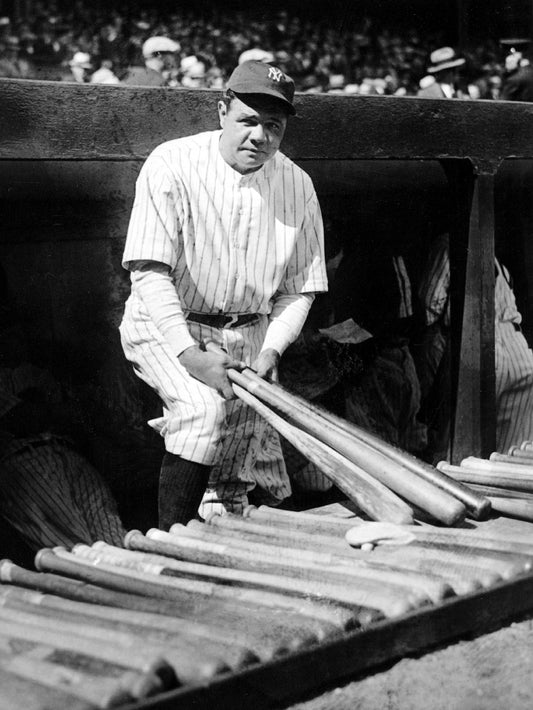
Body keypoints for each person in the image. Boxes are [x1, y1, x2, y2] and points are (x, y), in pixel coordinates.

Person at [119, 60, 327, 528]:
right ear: (221, 112)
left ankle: (217, 557)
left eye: (273, 125)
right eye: (248, 120)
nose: (260, 136)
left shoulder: (298, 184)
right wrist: (189, 354)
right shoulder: (171, 162)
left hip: (249, 335)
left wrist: (273, 348)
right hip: (167, 320)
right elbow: (150, 274)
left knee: (236, 463)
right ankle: (171, 543)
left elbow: (299, 291)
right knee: (202, 412)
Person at [417, 233, 533, 459]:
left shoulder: (447, 245)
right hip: (521, 355)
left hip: (482, 348)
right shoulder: (495, 259)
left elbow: (429, 304)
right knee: (513, 451)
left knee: (456, 451)